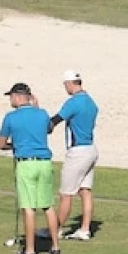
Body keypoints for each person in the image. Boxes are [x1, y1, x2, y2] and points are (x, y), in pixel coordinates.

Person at [0, 82, 60, 254]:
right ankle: (55, 247)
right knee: (48, 206)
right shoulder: (41, 114)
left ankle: (30, 250)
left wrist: (14, 146)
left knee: (29, 208)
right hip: (44, 163)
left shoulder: (11, 117)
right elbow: (49, 128)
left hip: (26, 163)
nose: (10, 100)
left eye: (11, 96)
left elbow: (1, 144)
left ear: (18, 97)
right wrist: (38, 107)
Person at [48, 70, 99, 242]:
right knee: (85, 191)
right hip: (91, 149)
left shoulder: (73, 103)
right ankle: (84, 229)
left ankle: (56, 229)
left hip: (77, 152)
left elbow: (53, 122)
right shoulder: (91, 102)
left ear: (70, 84)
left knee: (66, 194)